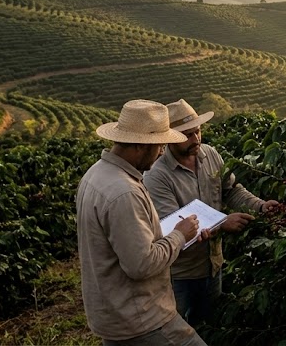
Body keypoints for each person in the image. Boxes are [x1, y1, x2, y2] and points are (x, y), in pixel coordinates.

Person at [77, 99, 207, 346]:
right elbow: (142, 264)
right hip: (142, 319)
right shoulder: (124, 192)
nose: (161, 152)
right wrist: (180, 235)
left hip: (116, 315)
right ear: (140, 145)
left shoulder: (95, 174)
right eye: (159, 146)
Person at [144, 98, 279, 327]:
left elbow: (231, 190)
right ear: (171, 138)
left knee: (210, 325)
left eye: (198, 131)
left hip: (213, 264)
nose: (196, 139)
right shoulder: (157, 176)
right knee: (178, 330)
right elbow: (172, 227)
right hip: (180, 273)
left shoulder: (210, 155)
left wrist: (260, 206)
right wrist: (222, 224)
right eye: (188, 135)